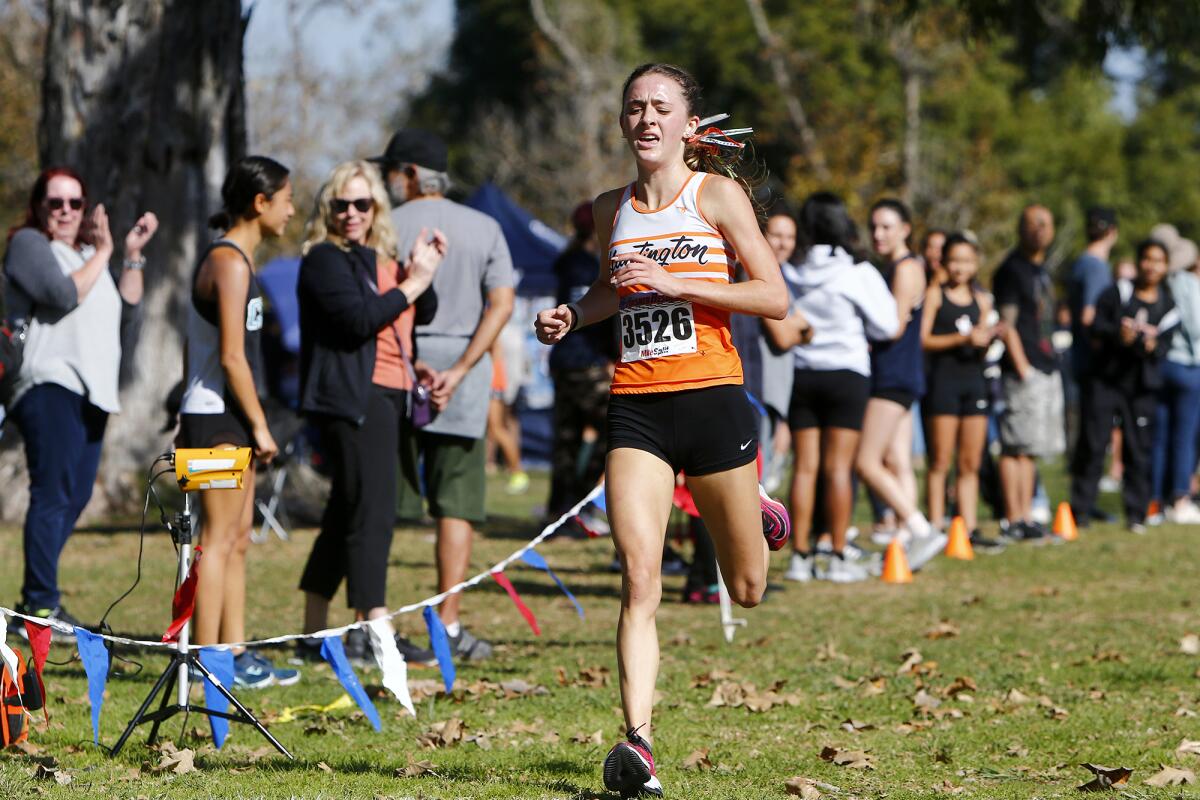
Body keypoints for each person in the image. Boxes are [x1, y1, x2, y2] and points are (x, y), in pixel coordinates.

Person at [535, 63, 791, 799]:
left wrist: (683, 284)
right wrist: (573, 316)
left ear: (686, 124)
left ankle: (759, 507)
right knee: (638, 576)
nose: (646, 119)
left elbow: (772, 295)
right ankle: (637, 744)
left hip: (712, 400)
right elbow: (612, 290)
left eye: (660, 108)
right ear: (623, 122)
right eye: (634, 108)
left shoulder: (717, 195)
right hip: (637, 406)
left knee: (745, 587)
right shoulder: (608, 205)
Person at [293, 160, 446, 667]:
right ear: (328, 209)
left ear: (377, 206)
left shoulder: (376, 257)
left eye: (363, 203)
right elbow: (359, 320)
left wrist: (419, 269)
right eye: (342, 204)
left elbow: (419, 310)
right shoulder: (323, 259)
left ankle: (315, 632)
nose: (352, 213)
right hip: (355, 400)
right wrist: (413, 281)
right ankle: (373, 631)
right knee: (373, 514)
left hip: (392, 393)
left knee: (346, 512)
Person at [372, 129, 515, 661]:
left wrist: (417, 360)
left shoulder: (385, 226)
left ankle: (375, 621)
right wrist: (461, 367)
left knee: (384, 502)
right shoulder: (484, 227)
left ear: (409, 174)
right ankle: (448, 626)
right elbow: (501, 304)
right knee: (457, 505)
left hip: (395, 369)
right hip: (465, 377)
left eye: (391, 170)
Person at [3, 167, 156, 636]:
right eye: (56, 202)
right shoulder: (31, 245)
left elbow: (126, 310)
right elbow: (59, 293)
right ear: (39, 207)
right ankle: (40, 604)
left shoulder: (87, 255)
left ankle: (37, 599)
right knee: (52, 493)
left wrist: (129, 256)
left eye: (75, 202)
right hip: (49, 383)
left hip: (93, 391)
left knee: (77, 495)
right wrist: (106, 251)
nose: (66, 211)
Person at [179, 156, 296, 688]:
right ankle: (205, 661)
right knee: (216, 541)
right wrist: (263, 427)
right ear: (259, 202)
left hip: (235, 420)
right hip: (211, 420)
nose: (293, 210)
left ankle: (236, 652)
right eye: (287, 199)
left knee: (239, 539)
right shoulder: (226, 261)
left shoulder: (243, 263)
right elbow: (230, 357)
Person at [764, 192, 897, 583]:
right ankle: (837, 554)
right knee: (839, 468)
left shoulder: (793, 268)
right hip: (847, 374)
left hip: (803, 374)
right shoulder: (856, 270)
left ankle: (801, 556)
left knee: (805, 468)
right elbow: (887, 325)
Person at [855, 198, 945, 564]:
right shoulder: (896, 266)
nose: (878, 234)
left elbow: (893, 325)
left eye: (887, 227)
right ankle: (912, 538)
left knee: (867, 462)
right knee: (897, 460)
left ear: (905, 229)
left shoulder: (906, 269)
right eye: (874, 226)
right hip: (900, 375)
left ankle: (920, 529)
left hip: (894, 376)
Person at [1070, 239, 1178, 533]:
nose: (1152, 266)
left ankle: (1136, 513)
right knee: (1093, 444)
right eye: (1147, 259)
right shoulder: (1119, 292)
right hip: (1105, 380)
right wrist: (1119, 335)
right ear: (1138, 261)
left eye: (1158, 260)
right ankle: (1080, 510)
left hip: (1140, 387)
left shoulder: (1168, 306)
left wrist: (1151, 345)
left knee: (1138, 448)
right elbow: (1095, 326)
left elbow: (1164, 347)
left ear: (1166, 266)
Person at [920, 233, 1004, 550]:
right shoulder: (935, 295)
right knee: (940, 461)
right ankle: (936, 527)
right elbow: (924, 340)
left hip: (974, 383)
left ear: (976, 263)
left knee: (970, 463)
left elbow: (982, 345)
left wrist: (989, 339)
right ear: (944, 262)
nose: (960, 267)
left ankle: (967, 528)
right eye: (955, 260)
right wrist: (961, 340)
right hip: (943, 385)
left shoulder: (982, 300)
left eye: (967, 261)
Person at [992, 204, 1063, 541]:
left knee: (1030, 447)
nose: (1039, 229)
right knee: (1015, 445)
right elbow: (1006, 324)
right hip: (1024, 370)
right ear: (1020, 228)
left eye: (1045, 223)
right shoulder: (1012, 270)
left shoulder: (1041, 270)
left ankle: (1026, 515)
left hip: (1045, 366)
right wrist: (1022, 366)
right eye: (1032, 223)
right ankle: (1013, 518)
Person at [546, 201, 616, 522]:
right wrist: (613, 356)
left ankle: (561, 509)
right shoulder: (589, 267)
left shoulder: (567, 262)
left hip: (563, 361)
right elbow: (603, 316)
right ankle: (579, 502)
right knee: (615, 426)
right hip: (586, 363)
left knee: (567, 437)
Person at [1151, 235, 1200, 523]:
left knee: (1160, 436)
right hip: (1187, 366)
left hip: (1163, 364)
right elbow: (1195, 326)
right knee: (1184, 437)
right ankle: (1179, 499)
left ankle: (1154, 500)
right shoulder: (1188, 285)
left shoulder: (1160, 284)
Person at [485, 337, 529, 494]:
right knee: (495, 428)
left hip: (491, 381)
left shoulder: (491, 320)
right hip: (492, 380)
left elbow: (495, 352)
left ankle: (518, 472)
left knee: (497, 428)